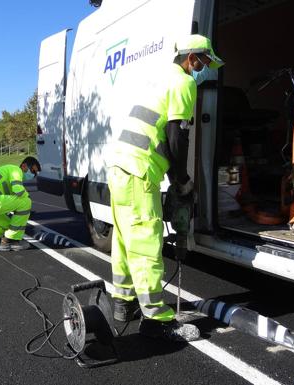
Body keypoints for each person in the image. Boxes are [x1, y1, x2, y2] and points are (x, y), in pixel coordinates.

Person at [106, 35, 224, 342]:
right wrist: (182, 180)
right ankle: (157, 321)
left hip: (118, 167)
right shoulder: (184, 83)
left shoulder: (158, 79)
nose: (206, 69)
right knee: (146, 241)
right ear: (192, 58)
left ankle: (124, 303)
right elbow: (177, 138)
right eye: (205, 63)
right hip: (139, 170)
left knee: (124, 236)